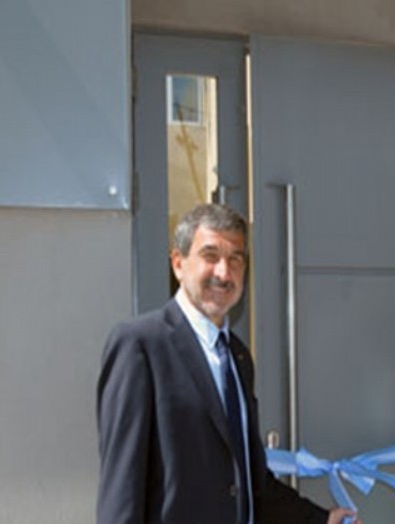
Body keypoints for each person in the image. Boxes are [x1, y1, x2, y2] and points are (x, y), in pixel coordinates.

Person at [97, 204, 358, 524]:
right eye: (210, 256)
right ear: (178, 263)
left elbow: (249, 482)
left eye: (235, 259)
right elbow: (122, 487)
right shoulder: (141, 345)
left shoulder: (237, 356)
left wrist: (321, 520)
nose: (224, 272)